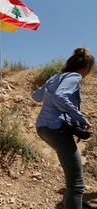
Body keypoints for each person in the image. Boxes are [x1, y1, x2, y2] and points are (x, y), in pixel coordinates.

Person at [32, 48, 94, 209]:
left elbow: (36, 96)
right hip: (56, 129)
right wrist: (81, 117)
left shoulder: (56, 77)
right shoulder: (75, 76)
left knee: (73, 181)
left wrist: (49, 90)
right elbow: (60, 96)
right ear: (86, 68)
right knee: (77, 185)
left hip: (43, 128)